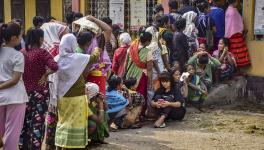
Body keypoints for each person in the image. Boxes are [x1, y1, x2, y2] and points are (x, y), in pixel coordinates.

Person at [54, 33, 102, 149]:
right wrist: (95, 46)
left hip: (62, 97)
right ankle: (73, 146)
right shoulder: (76, 57)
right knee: (75, 124)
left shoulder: (56, 59)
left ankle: (61, 144)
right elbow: (95, 57)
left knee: (63, 123)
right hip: (77, 98)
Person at [19, 28, 58, 150]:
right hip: (41, 93)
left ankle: (22, 146)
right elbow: (54, 66)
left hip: (24, 93)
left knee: (24, 122)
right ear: (40, 39)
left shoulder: (22, 52)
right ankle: (35, 147)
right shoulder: (42, 53)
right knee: (38, 123)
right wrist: (45, 74)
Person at [0, 23, 28, 150]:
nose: (21, 38)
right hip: (16, 97)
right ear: (13, 38)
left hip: (2, 98)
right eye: (20, 36)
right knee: (12, 133)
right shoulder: (17, 55)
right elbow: (15, 80)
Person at [125, 27, 152, 117]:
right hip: (140, 78)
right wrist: (150, 81)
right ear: (147, 41)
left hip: (129, 77)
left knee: (128, 95)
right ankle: (138, 116)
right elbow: (149, 69)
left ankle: (127, 115)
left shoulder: (130, 48)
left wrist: (124, 75)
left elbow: (125, 64)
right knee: (140, 96)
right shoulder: (148, 52)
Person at [225, 0, 251, 67]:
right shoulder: (233, 11)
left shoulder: (228, 10)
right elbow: (236, 23)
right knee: (238, 52)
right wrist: (241, 30)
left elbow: (230, 24)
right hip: (236, 34)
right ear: (236, 1)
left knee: (234, 52)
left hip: (231, 34)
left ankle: (236, 68)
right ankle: (238, 68)